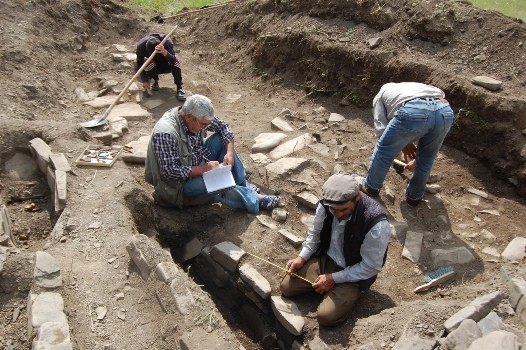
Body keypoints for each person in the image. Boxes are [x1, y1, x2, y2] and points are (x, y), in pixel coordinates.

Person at [280, 173, 390, 326]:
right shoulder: (326, 205)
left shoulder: (375, 224)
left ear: (357, 197)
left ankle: (349, 293)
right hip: (328, 260)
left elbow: (371, 266)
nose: (338, 214)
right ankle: (326, 289)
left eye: (344, 209)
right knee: (286, 287)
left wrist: (333, 279)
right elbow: (315, 234)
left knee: (325, 317)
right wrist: (302, 258)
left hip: (354, 273)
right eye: (334, 209)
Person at [145, 94, 281, 213]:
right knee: (217, 184)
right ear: (189, 117)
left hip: (196, 159)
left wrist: (229, 153)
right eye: (203, 125)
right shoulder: (165, 133)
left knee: (222, 141)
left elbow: (224, 126)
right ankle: (255, 199)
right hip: (178, 185)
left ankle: (242, 184)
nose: (206, 127)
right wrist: (203, 170)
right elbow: (168, 171)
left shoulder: (197, 117)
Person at [363, 82, 454, 206]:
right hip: (444, 110)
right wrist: (414, 155)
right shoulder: (413, 89)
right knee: (427, 158)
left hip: (414, 109)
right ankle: (414, 197)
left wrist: (402, 144)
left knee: (384, 150)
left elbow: (381, 129)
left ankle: (371, 187)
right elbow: (428, 121)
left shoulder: (381, 95)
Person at [136, 33, 186, 101]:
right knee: (146, 63)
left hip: (166, 63)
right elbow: (139, 64)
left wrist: (165, 52)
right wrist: (145, 80)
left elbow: (173, 61)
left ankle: (179, 87)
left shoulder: (167, 42)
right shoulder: (141, 47)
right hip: (154, 65)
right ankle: (155, 81)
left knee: (176, 61)